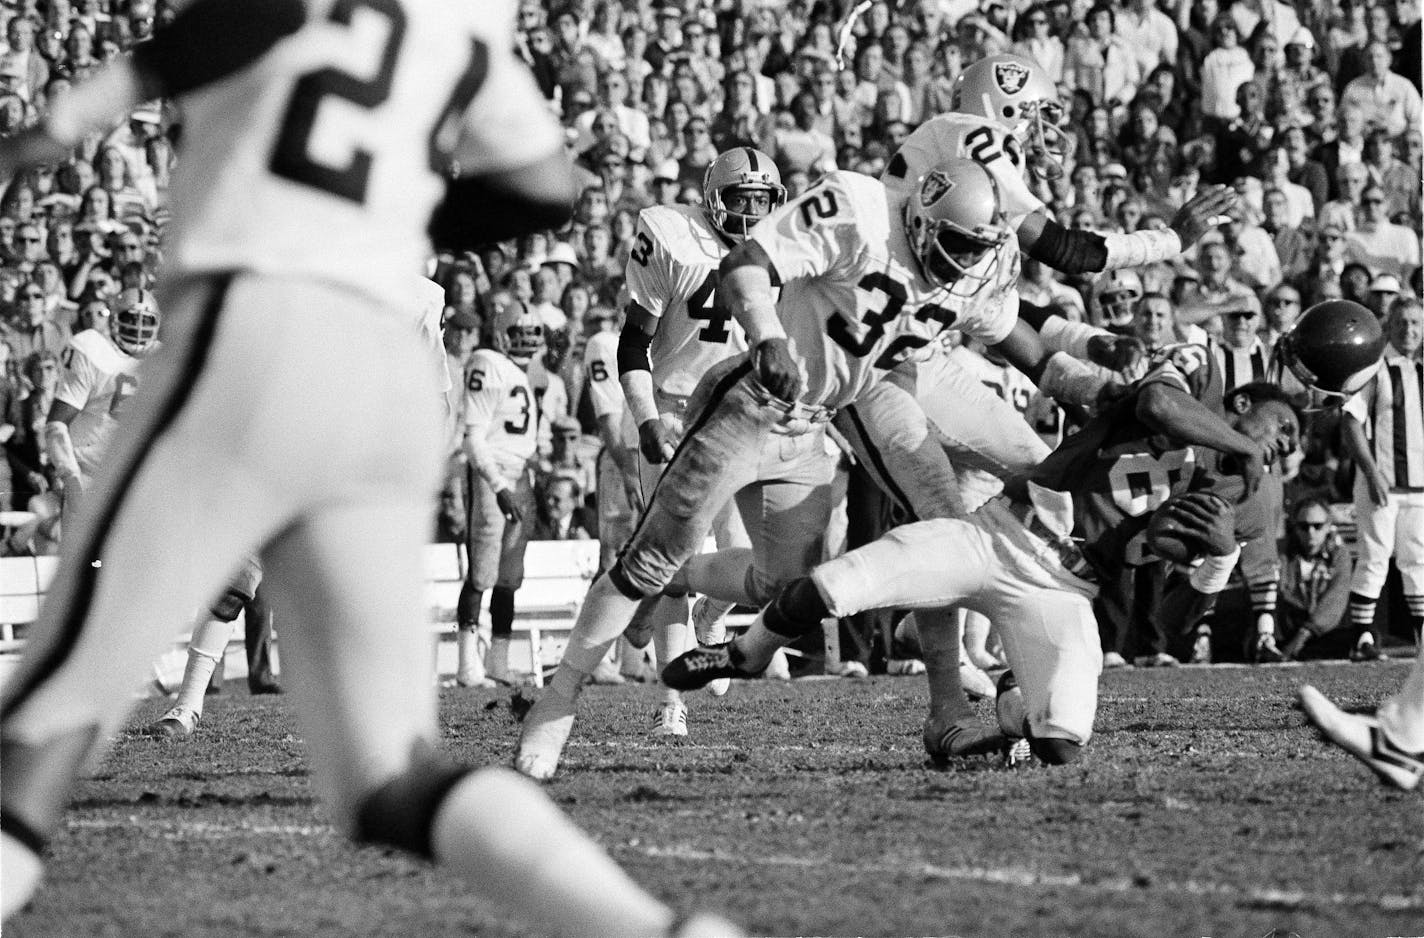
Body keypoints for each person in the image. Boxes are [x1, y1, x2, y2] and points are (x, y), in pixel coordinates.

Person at [0, 3, 737, 936]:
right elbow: (551, 184)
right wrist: (406, 208)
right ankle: (655, 930)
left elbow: (228, 27)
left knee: (41, 731)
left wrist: (52, 129)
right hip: (385, 384)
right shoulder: (452, 25)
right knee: (387, 777)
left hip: (255, 326)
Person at [453, 300, 546, 688]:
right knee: (482, 573)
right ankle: (466, 666)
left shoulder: (522, 372)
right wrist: (498, 485)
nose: (526, 344)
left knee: (509, 578)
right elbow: (473, 438)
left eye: (531, 336)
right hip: (493, 478)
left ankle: (498, 664)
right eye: (520, 335)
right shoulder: (486, 362)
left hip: (520, 476)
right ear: (503, 335)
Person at [1339, 297, 1423, 662]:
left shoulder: (1420, 370)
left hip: (1420, 486)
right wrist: (1371, 472)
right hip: (1382, 482)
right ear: (1389, 326)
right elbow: (1351, 421)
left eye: (1416, 323)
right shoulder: (1374, 368)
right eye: (1402, 322)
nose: (1409, 330)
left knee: (1418, 560)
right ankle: (1362, 638)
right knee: (1374, 557)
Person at [44, 285, 155, 519]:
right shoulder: (92, 348)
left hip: (137, 483)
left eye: (145, 322)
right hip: (89, 477)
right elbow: (56, 424)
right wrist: (71, 479)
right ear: (114, 319)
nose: (138, 328)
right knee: (93, 557)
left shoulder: (163, 358)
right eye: (131, 319)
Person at [1276, 497, 1353, 660]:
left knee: (1361, 636)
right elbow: (1280, 593)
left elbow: (1335, 600)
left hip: (1322, 632)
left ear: (1328, 526)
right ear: (1295, 528)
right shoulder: (1282, 553)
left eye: (1317, 526)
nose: (1311, 532)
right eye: (1304, 526)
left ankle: (1298, 652)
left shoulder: (1339, 554)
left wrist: (1305, 633)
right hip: (1287, 627)